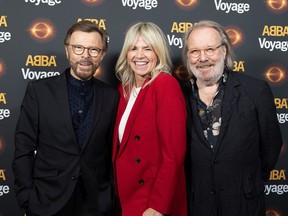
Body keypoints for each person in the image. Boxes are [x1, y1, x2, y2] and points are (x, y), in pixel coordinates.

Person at [176, 20, 283, 216]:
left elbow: (271, 146)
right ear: (188, 56)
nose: (202, 58)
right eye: (195, 51)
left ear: (224, 51)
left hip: (244, 203)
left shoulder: (255, 91)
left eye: (210, 49)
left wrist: (248, 180)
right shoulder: (177, 96)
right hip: (198, 205)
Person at [12, 20, 118, 216]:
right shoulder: (39, 91)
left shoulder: (111, 96)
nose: (85, 56)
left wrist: (109, 196)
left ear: (102, 54)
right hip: (47, 202)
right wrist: (26, 198)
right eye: (78, 48)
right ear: (67, 50)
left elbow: (112, 152)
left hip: (96, 203)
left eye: (94, 49)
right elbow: (23, 148)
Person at [112, 22, 187, 216]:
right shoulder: (124, 90)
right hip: (126, 196)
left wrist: (158, 206)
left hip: (152, 199)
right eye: (133, 49)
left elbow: (173, 154)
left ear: (158, 52)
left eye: (148, 49)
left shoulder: (164, 84)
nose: (139, 56)